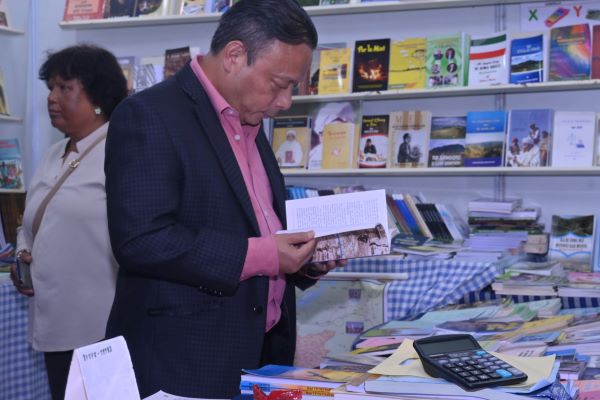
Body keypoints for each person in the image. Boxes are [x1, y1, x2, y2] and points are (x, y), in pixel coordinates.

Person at [104, 1, 342, 398]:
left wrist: (307, 260)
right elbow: (140, 240)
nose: (285, 102)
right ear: (234, 55)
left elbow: (253, 227)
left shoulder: (249, 120)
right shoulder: (148, 115)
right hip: (183, 363)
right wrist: (266, 255)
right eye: (280, 84)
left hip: (260, 354)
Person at [10, 44, 128, 400]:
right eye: (50, 88)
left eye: (64, 88)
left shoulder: (121, 152)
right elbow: (30, 222)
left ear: (98, 96)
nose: (52, 98)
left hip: (101, 327)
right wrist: (22, 252)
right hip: (53, 320)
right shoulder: (53, 154)